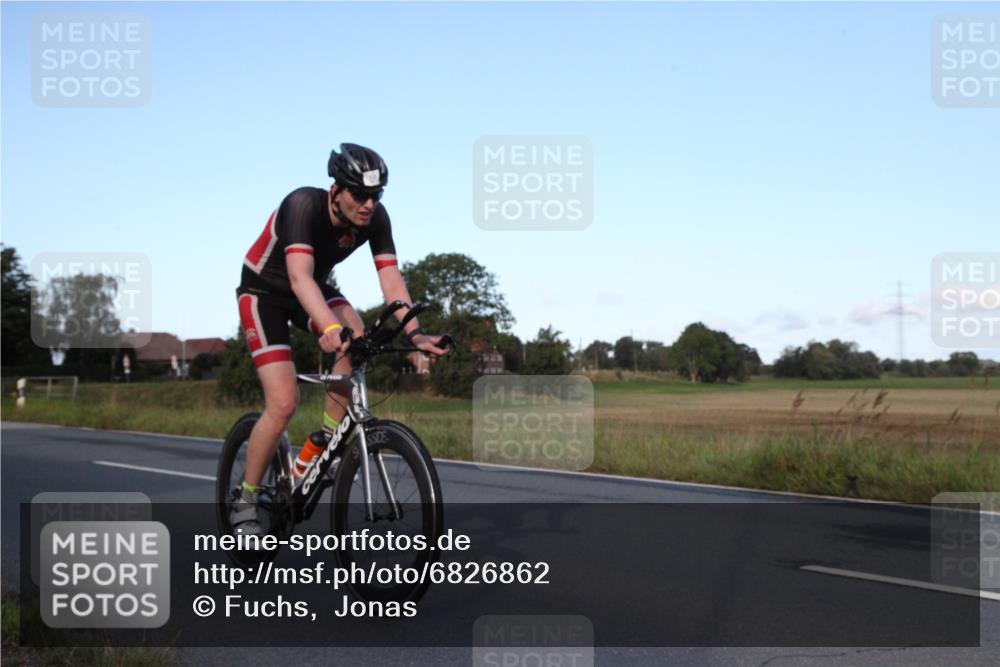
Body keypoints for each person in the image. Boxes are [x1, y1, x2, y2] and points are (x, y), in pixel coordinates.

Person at [231, 143, 450, 536]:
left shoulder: (376, 218)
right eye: (360, 194)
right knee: (283, 403)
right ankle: (246, 501)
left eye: (376, 195)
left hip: (312, 289)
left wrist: (414, 332)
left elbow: (390, 277)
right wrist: (329, 329)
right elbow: (298, 276)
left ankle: (321, 448)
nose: (369, 204)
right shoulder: (302, 205)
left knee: (359, 338)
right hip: (264, 294)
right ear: (336, 189)